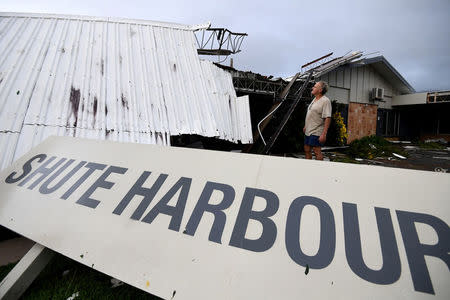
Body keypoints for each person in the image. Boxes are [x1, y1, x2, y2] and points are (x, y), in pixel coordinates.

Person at [303, 81, 331, 160]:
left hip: (317, 131)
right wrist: (306, 126)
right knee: (307, 150)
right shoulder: (314, 99)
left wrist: (324, 134)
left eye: (315, 87)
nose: (312, 88)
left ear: (320, 90)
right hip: (308, 130)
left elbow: (327, 118)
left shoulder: (325, 101)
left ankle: (319, 170)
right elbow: (312, 114)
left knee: (316, 151)